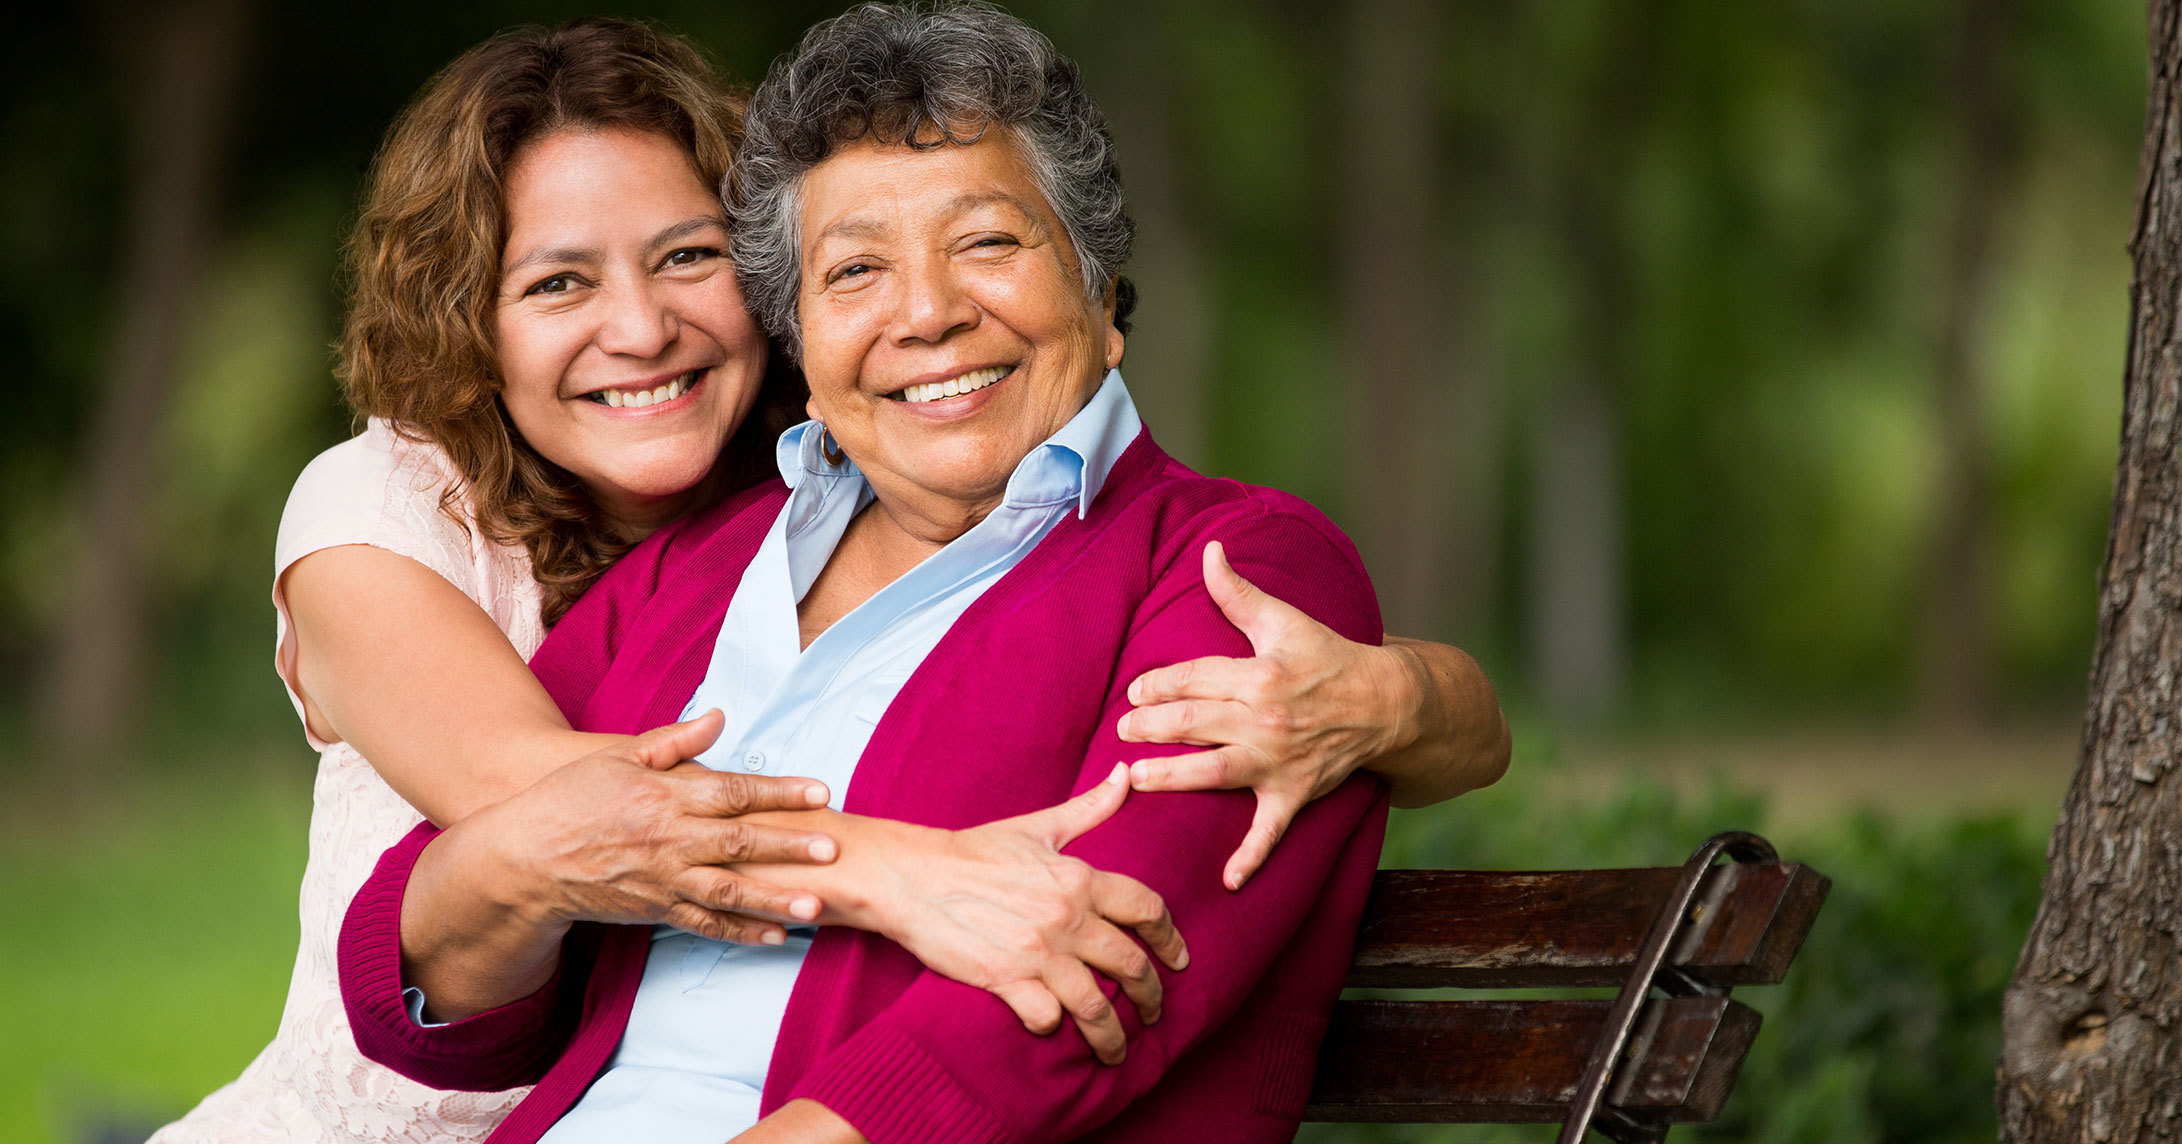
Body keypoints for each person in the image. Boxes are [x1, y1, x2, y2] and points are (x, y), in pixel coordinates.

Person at [153, 15, 1508, 1144]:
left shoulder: (1230, 568)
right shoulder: (692, 573)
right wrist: (529, 873)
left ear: (1100, 291)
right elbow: (431, 962)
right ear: (804, 334)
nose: (925, 311)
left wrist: (1422, 698)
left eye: (987, 242)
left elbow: (1083, 991)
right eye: (855, 268)